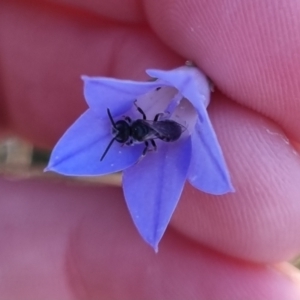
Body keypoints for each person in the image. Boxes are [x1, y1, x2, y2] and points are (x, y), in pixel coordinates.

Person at [1, 0, 300, 298]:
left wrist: (182, 86)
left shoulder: (170, 102)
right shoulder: (145, 111)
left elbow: (152, 102)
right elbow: (79, 145)